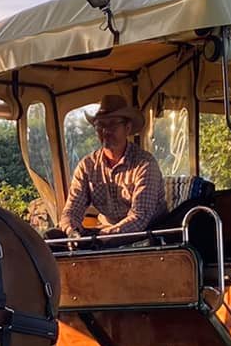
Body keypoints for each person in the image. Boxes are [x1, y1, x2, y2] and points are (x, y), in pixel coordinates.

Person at [61, 94, 166, 238]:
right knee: (51, 237)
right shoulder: (87, 166)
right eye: (100, 125)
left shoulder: (145, 164)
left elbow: (140, 218)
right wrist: (72, 231)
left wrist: (104, 238)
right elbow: (72, 210)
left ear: (127, 128)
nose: (105, 131)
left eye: (112, 124)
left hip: (148, 235)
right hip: (106, 233)